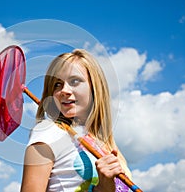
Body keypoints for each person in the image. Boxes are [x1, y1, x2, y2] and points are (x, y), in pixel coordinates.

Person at [21, 49, 131, 192]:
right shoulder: (48, 132)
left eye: (74, 81)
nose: (64, 90)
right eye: (57, 84)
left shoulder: (102, 142)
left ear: (94, 87)